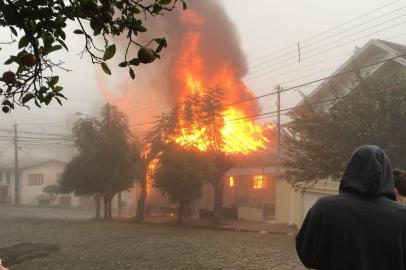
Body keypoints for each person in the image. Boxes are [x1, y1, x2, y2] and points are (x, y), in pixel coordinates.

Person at [296, 145, 406, 270]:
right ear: (386, 175)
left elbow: (307, 257)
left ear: (350, 170)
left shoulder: (323, 208)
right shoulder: (402, 216)